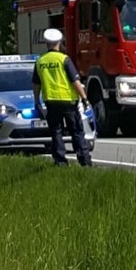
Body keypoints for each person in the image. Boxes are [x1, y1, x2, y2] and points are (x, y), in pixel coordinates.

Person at [33, 28, 92, 167]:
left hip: (51, 101)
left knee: (56, 132)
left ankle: (60, 161)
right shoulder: (64, 59)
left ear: (46, 43)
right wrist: (84, 98)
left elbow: (36, 84)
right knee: (76, 131)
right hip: (68, 101)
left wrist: (37, 101)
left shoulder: (40, 61)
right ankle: (84, 160)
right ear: (59, 42)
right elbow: (75, 81)